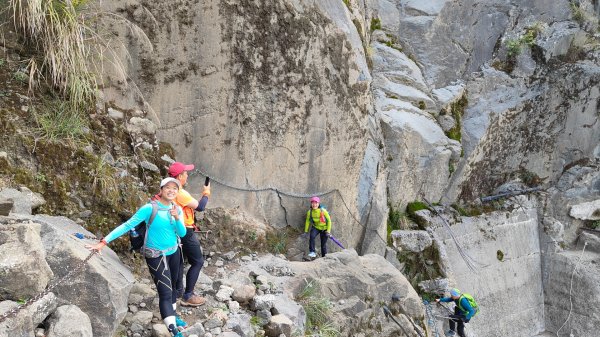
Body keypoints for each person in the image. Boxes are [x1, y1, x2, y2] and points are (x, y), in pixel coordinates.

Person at [87, 177, 187, 337]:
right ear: (161, 190)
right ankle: (173, 330)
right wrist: (103, 242)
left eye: (174, 188)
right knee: (166, 293)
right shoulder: (149, 209)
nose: (171, 191)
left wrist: (176, 218)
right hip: (155, 255)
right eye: (167, 187)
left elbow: (182, 233)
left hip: (173, 252)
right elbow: (127, 225)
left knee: (175, 287)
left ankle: (173, 317)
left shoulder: (177, 209)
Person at [168, 161, 210, 307]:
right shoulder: (180, 193)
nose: (187, 175)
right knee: (197, 262)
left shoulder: (167, 190)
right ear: (180, 176)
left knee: (179, 262)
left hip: (173, 230)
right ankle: (188, 295)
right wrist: (206, 193)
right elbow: (201, 207)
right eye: (185, 173)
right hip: (185, 231)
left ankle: (178, 292)